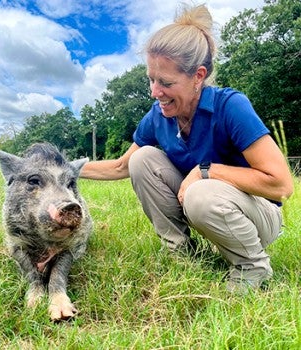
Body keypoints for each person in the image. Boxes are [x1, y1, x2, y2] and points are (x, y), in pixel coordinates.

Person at [80, 4, 294, 293]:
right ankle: (182, 255)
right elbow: (121, 166)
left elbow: (281, 185)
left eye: (166, 82)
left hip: (257, 215)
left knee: (200, 191)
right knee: (142, 159)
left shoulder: (230, 106)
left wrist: (207, 171)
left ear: (198, 76)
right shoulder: (158, 116)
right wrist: (61, 169)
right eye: (151, 79)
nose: (155, 92)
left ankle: (251, 267)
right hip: (204, 201)